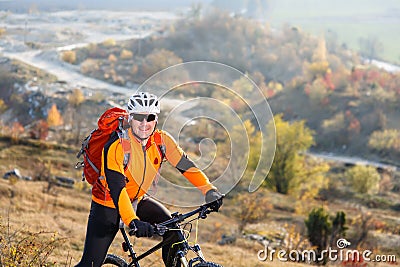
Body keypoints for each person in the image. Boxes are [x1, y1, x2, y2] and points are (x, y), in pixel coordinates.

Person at [75, 92, 223, 267]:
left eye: (150, 117)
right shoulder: (117, 147)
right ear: (130, 118)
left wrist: (209, 190)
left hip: (138, 200)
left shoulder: (161, 140)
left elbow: (186, 166)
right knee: (90, 264)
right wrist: (133, 221)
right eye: (139, 117)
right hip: (107, 204)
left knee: (174, 232)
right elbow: (117, 189)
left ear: (156, 119)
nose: (144, 124)